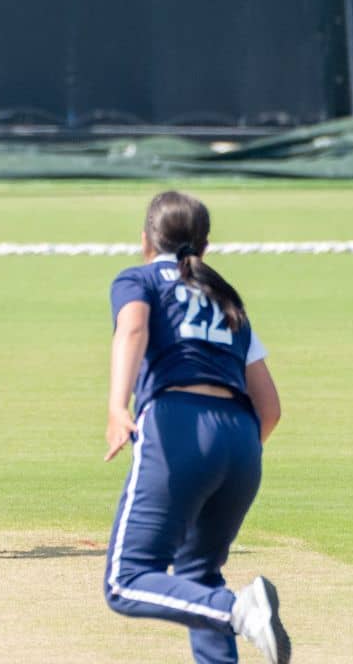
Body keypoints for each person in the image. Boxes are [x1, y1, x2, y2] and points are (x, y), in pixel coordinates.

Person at [101, 191, 289, 663]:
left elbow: (134, 329)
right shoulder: (227, 298)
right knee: (198, 575)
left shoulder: (138, 278)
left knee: (126, 581)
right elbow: (270, 409)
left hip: (179, 426)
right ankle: (233, 617)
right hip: (243, 440)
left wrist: (117, 405)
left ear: (145, 240)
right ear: (204, 246)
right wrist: (228, 456)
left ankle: (238, 611)